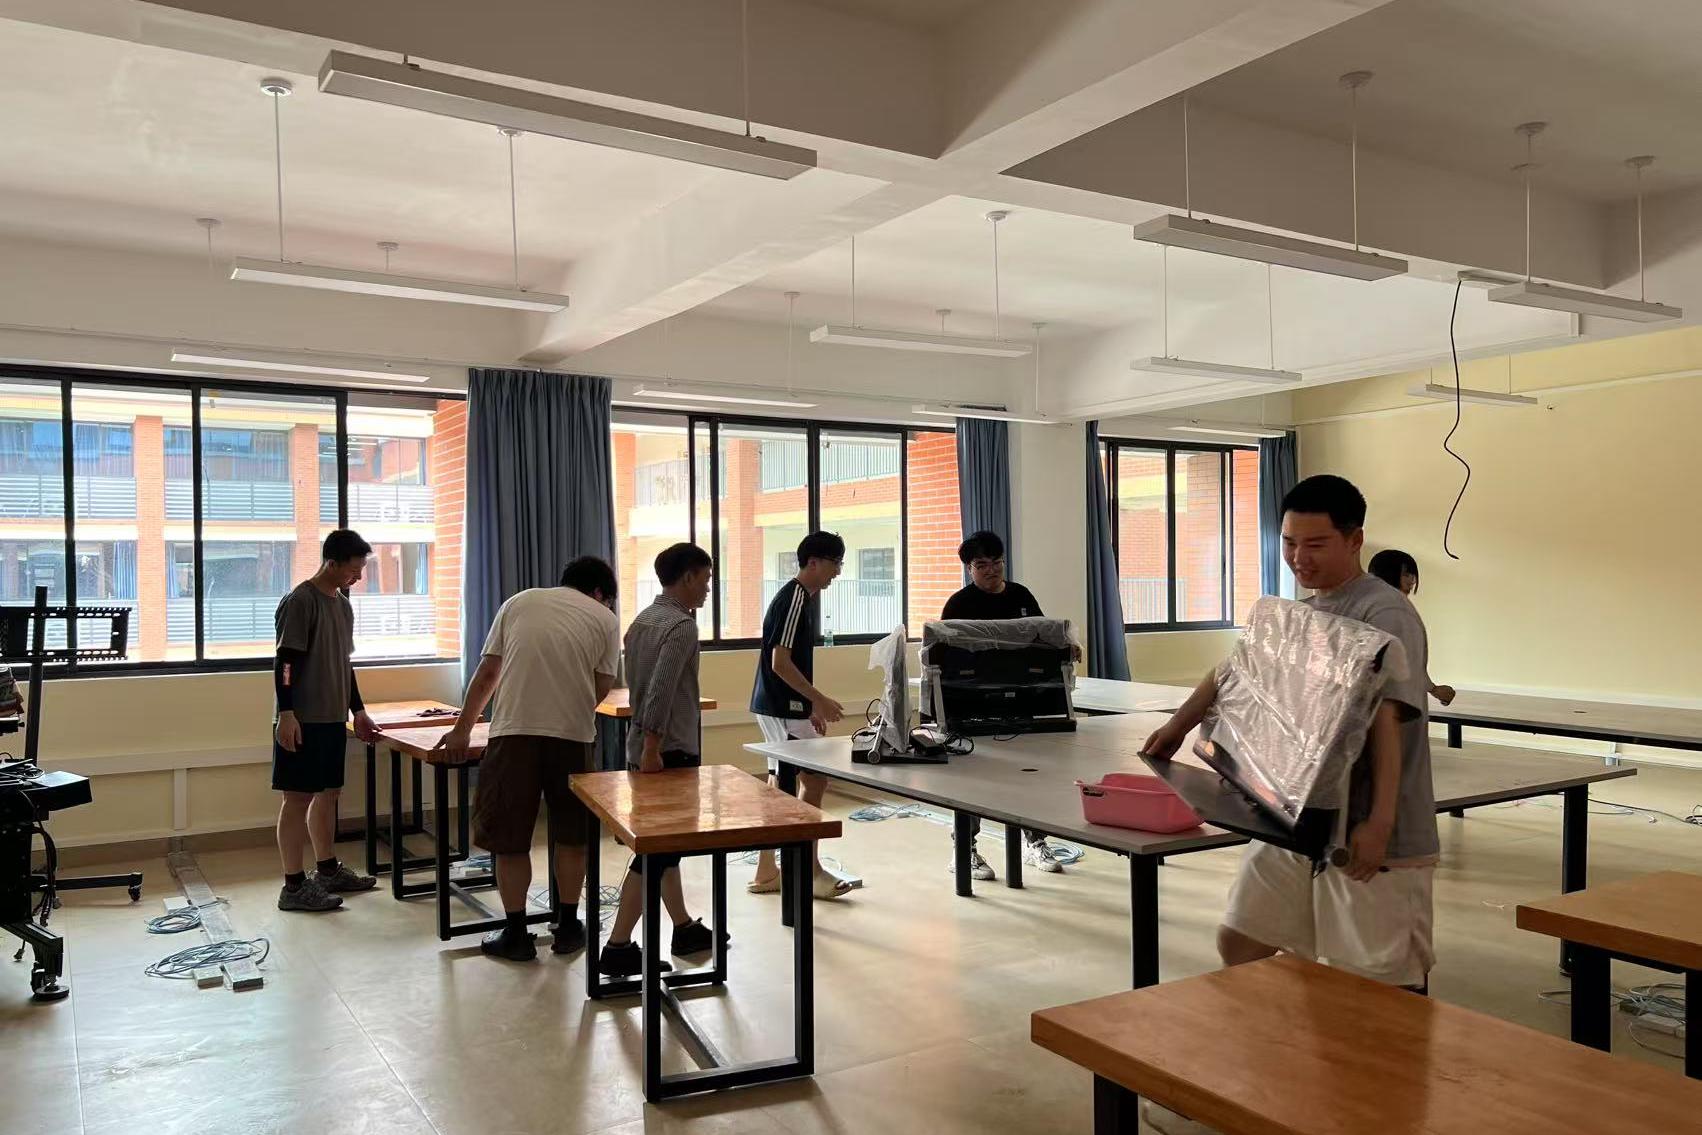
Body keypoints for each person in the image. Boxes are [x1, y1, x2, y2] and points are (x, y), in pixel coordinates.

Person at [1144, 475, 1438, 991]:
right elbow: (1237, 666)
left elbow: (1387, 723)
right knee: (1242, 941)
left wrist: (1379, 823)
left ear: (1354, 539)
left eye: (1315, 544)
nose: (1299, 557)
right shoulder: (1304, 610)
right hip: (1294, 813)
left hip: (1364, 825)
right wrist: (1177, 726)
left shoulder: (1385, 611)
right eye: (1289, 542)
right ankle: (1285, 1039)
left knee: (1376, 984)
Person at [434, 556, 621, 962]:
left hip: (513, 733)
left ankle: (516, 933)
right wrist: (569, 708)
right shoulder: (605, 619)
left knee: (509, 837)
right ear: (599, 593)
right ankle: (568, 926)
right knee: (572, 834)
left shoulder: (519, 602)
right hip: (572, 737)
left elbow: (488, 673)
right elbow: (601, 685)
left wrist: (463, 729)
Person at [599, 543, 720, 977]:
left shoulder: (641, 621)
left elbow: (640, 688)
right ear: (687, 577)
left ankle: (683, 927)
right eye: (705, 579)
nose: (708, 588)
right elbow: (661, 691)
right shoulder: (681, 626)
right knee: (656, 852)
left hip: (643, 746)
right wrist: (654, 747)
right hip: (668, 751)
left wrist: (644, 746)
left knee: (666, 847)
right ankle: (618, 945)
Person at [939, 530, 1075, 879]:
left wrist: (1067, 646)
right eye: (981, 565)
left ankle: (1035, 842)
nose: (991, 570)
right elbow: (943, 655)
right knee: (973, 781)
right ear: (969, 568)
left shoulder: (1021, 595)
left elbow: (1045, 635)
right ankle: (964, 850)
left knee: (1029, 775)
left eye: (996, 562)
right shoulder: (959, 604)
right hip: (972, 705)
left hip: (1022, 699)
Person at [272, 529, 379, 912]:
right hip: (302, 720)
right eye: (353, 569)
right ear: (331, 563)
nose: (359, 576)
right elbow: (285, 662)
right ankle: (293, 886)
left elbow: (343, 664)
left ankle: (328, 870)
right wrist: (286, 713)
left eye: (361, 569)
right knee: (297, 798)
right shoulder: (301, 601)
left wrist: (358, 710)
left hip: (332, 718)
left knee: (329, 794)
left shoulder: (343, 605)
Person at [748, 531, 855, 899]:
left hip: (786, 706)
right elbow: (779, 662)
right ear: (813, 562)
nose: (838, 572)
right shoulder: (795, 597)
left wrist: (809, 706)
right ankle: (807, 871)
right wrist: (817, 700)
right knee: (812, 781)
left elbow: (788, 663)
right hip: (781, 706)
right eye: (835, 563)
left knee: (781, 785)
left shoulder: (801, 598)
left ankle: (768, 870)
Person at [1369, 549, 1456, 706]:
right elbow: (1405, 663)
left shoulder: (1376, 605)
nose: (1412, 581)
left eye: (1413, 575)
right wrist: (1435, 690)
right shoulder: (1393, 611)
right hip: (1392, 703)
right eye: (1406, 574)